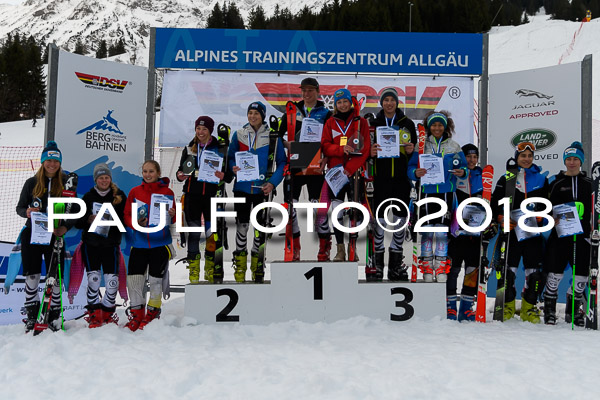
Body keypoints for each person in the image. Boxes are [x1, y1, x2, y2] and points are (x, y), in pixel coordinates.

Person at [16, 141, 75, 332]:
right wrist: (27, 212)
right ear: (43, 162)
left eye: (55, 161)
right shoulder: (32, 183)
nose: (52, 164)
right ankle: (32, 317)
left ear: (60, 163)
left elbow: (74, 210)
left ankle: (54, 317)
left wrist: (65, 227)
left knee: (55, 278)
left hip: (54, 236)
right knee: (32, 275)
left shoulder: (65, 181)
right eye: (48, 160)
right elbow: (20, 207)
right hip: (33, 234)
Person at [228, 101, 286, 282]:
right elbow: (230, 158)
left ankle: (258, 264)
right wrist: (233, 168)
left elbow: (282, 163)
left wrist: (273, 183)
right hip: (242, 188)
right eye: (250, 113)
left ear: (263, 115)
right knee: (242, 227)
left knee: (260, 228)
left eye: (256, 113)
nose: (252, 116)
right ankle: (240, 264)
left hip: (263, 189)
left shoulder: (273, 136)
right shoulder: (239, 135)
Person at [491, 142, 549, 323]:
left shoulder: (541, 179)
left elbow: (547, 205)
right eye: (523, 156)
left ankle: (528, 308)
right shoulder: (507, 178)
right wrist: (500, 218)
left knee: (534, 273)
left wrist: (541, 216)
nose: (526, 159)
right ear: (517, 157)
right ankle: (507, 306)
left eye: (529, 156)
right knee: (508, 270)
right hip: (512, 232)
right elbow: (494, 204)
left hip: (532, 233)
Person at [408, 111, 467, 283]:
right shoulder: (421, 146)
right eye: (433, 125)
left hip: (446, 193)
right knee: (427, 231)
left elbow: (464, 168)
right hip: (425, 192)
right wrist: (415, 172)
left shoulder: (454, 146)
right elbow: (410, 168)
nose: (437, 128)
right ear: (428, 127)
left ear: (446, 126)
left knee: (441, 231)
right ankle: (426, 267)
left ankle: (440, 266)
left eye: (440, 125)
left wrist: (462, 172)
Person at [279, 77, 332, 261]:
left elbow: (332, 139)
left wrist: (326, 156)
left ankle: (324, 245)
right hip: (296, 161)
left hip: (316, 163)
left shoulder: (325, 113)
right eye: (304, 90)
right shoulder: (292, 111)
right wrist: (288, 145)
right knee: (290, 207)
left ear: (318, 92)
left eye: (310, 90)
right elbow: (279, 137)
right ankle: (295, 245)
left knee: (318, 207)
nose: (307, 94)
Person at [368, 87, 416, 280]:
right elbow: (364, 149)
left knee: (400, 218)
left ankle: (396, 263)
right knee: (379, 219)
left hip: (401, 179)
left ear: (397, 103)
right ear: (381, 103)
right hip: (380, 177)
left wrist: (412, 151)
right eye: (386, 100)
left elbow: (415, 153)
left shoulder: (407, 124)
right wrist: (370, 151)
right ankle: (377, 263)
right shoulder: (374, 123)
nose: (389, 103)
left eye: (392, 100)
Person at [123, 160, 175, 331]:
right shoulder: (135, 191)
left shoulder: (167, 192)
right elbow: (127, 215)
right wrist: (135, 223)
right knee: (135, 280)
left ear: (158, 173)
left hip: (159, 243)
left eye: (151, 171)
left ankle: (153, 312)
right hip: (139, 243)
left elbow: (173, 219)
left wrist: (173, 215)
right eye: (145, 171)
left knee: (155, 281)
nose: (147, 174)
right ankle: (137, 314)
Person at [543, 142, 591, 325]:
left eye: (575, 159)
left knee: (581, 276)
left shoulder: (589, 184)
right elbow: (546, 207)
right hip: (560, 235)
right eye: (568, 159)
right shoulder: (556, 183)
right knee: (555, 273)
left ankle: (574, 310)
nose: (572, 163)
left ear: (581, 161)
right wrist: (550, 218)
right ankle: (550, 310)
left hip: (583, 236)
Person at [319, 88, 370, 262]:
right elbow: (325, 145)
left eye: (345, 101)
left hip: (354, 173)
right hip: (335, 173)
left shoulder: (360, 122)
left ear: (350, 102)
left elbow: (365, 149)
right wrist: (340, 150)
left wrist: (350, 168)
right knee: (337, 210)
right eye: (338, 102)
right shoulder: (330, 122)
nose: (342, 105)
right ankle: (340, 249)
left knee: (355, 211)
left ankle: (352, 247)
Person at [175, 116, 227, 284]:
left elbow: (227, 174)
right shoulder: (189, 148)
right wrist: (180, 175)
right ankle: (194, 270)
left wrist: (223, 176)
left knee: (212, 235)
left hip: (212, 196)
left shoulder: (219, 148)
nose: (201, 132)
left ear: (210, 131)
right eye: (198, 129)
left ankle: (210, 268)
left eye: (204, 129)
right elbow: (181, 171)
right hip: (192, 196)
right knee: (194, 234)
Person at [75, 163, 127, 328]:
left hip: (110, 244)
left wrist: (114, 221)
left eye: (106, 177)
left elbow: (125, 220)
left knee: (112, 282)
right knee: (94, 280)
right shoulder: (88, 197)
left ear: (110, 178)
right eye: (100, 177)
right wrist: (88, 219)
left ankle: (108, 312)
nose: (104, 180)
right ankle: (94, 315)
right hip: (92, 245)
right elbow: (78, 222)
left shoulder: (119, 195)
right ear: (95, 179)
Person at [447, 144, 483, 320]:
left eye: (475, 157)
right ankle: (450, 306)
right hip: (457, 232)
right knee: (452, 269)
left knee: (472, 270)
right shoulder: (456, 174)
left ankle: (467, 306)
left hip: (475, 234)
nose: (472, 160)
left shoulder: (483, 176)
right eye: (468, 157)